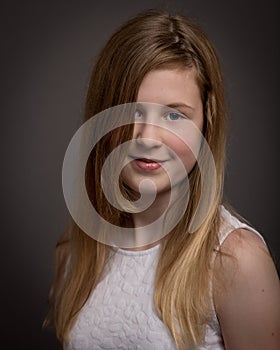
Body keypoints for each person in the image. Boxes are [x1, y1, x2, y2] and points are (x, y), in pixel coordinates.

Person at [43, 9, 280, 350]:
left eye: (174, 114)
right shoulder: (75, 254)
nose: (148, 137)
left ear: (206, 124)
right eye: (131, 111)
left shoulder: (236, 262)